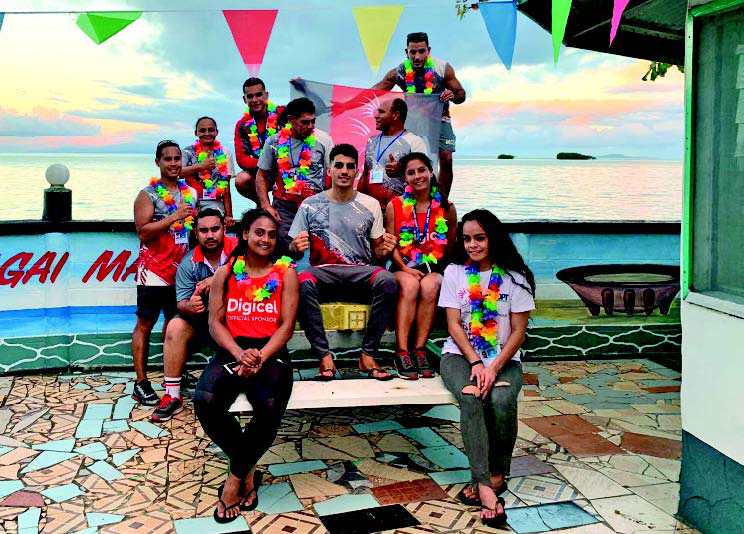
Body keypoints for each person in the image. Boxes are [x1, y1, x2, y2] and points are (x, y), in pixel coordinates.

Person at [195, 209, 298, 523]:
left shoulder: (286, 273)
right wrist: (240, 354)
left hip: (271, 352)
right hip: (233, 349)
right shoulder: (226, 273)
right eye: (259, 233)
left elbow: (286, 326)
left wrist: (260, 356)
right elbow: (214, 324)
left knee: (269, 406)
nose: (266, 239)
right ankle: (247, 469)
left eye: (271, 235)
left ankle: (233, 480)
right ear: (244, 234)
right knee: (205, 400)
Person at [437, 209, 536, 528]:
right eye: (467, 239)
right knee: (471, 396)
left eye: (479, 238)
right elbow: (453, 324)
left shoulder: (515, 277)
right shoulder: (454, 272)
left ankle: (497, 472)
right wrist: (477, 363)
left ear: (493, 238)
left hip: (504, 358)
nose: (472, 245)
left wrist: (494, 367)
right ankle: (484, 484)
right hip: (459, 355)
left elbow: (519, 332)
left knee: (502, 399)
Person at [288, 143, 398, 381]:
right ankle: (324, 357)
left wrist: (385, 250)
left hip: (360, 274)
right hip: (323, 274)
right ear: (329, 170)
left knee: (388, 279)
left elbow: (378, 254)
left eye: (350, 166)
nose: (344, 171)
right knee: (302, 281)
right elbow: (293, 252)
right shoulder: (310, 204)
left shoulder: (370, 204)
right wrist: (295, 247)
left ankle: (368, 355)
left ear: (357, 171)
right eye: (339, 165)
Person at [151, 208, 237, 422]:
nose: (210, 235)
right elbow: (181, 303)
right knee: (175, 326)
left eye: (215, 229)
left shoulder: (240, 249)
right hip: (205, 322)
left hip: (238, 319)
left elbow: (258, 272)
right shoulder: (188, 263)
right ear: (196, 233)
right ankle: (172, 396)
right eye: (204, 231)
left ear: (224, 229)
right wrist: (190, 306)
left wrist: (217, 278)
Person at [131, 140, 197, 406]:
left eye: (177, 158)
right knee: (145, 324)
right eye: (167, 159)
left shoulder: (191, 193)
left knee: (174, 324)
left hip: (181, 272)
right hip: (154, 270)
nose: (173, 163)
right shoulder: (147, 195)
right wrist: (174, 216)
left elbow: (194, 229)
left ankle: (174, 374)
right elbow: (143, 232)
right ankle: (141, 382)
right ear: (157, 162)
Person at [385, 152, 457, 379]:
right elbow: (391, 244)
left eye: (421, 170)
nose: (417, 176)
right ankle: (402, 351)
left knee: (430, 285)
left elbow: (450, 245)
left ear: (431, 172)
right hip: (403, 266)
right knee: (410, 286)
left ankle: (419, 349)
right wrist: (405, 268)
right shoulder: (395, 205)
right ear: (405, 178)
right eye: (411, 172)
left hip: (433, 268)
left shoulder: (446, 206)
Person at [372, 32, 466, 197]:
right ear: (406, 52)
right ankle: (410, 197)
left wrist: (452, 95)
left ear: (428, 50)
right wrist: (346, 103)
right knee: (410, 160)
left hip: (440, 118)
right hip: (414, 120)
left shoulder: (442, 68)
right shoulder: (399, 72)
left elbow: (461, 95)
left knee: (446, 158)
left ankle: (442, 201)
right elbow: (373, 92)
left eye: (421, 51)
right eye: (413, 52)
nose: (417, 56)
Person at [256, 97, 334, 255]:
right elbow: (261, 175)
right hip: (284, 205)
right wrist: (266, 206)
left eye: (313, 121)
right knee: (287, 252)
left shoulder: (323, 140)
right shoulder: (274, 142)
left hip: (315, 204)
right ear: (291, 120)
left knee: (321, 252)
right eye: (305, 122)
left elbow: (334, 173)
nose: (310, 126)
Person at [358, 98, 428, 210]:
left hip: (402, 210)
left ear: (396, 115)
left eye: (381, 112)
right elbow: (366, 174)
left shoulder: (414, 141)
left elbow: (424, 177)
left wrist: (400, 171)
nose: (376, 116)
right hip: (373, 210)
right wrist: (358, 203)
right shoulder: (372, 141)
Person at [234, 78, 285, 203]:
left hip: (285, 168)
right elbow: (242, 159)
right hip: (261, 170)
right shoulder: (242, 125)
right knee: (241, 179)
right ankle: (262, 204)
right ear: (244, 99)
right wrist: (266, 164)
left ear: (266, 95)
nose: (255, 100)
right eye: (250, 96)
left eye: (258, 95)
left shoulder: (282, 114)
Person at [181, 117, 236, 226]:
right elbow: (178, 173)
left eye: (211, 130)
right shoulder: (187, 152)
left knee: (213, 220)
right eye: (202, 130)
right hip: (190, 199)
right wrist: (202, 166)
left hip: (214, 201)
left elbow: (226, 188)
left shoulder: (225, 153)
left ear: (216, 132)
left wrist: (229, 215)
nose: (207, 133)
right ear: (196, 133)